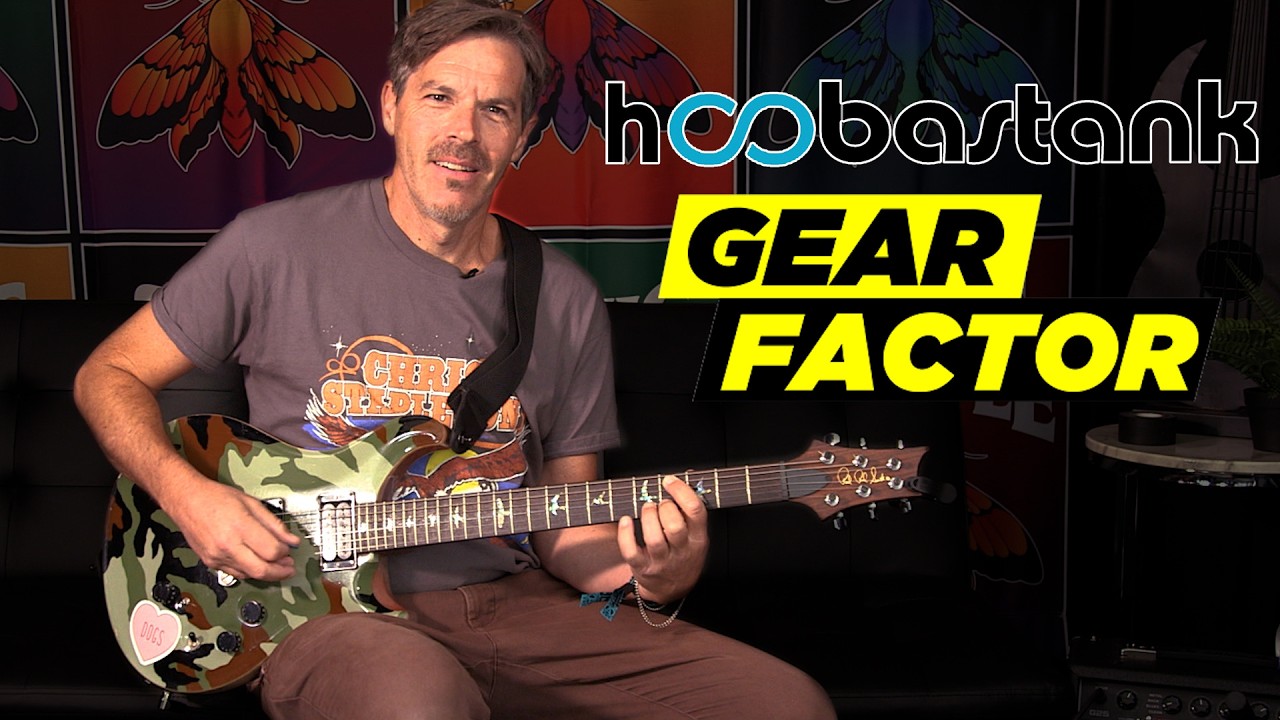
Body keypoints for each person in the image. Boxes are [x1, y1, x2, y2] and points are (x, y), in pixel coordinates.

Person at [75, 1, 836, 718]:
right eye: (439, 97)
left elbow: (566, 530)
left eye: (495, 109)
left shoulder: (563, 296)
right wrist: (187, 494)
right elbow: (107, 375)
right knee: (415, 700)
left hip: (521, 608)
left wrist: (655, 572)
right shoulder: (271, 246)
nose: (464, 133)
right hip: (327, 614)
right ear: (391, 106)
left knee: (785, 703)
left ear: (524, 133)